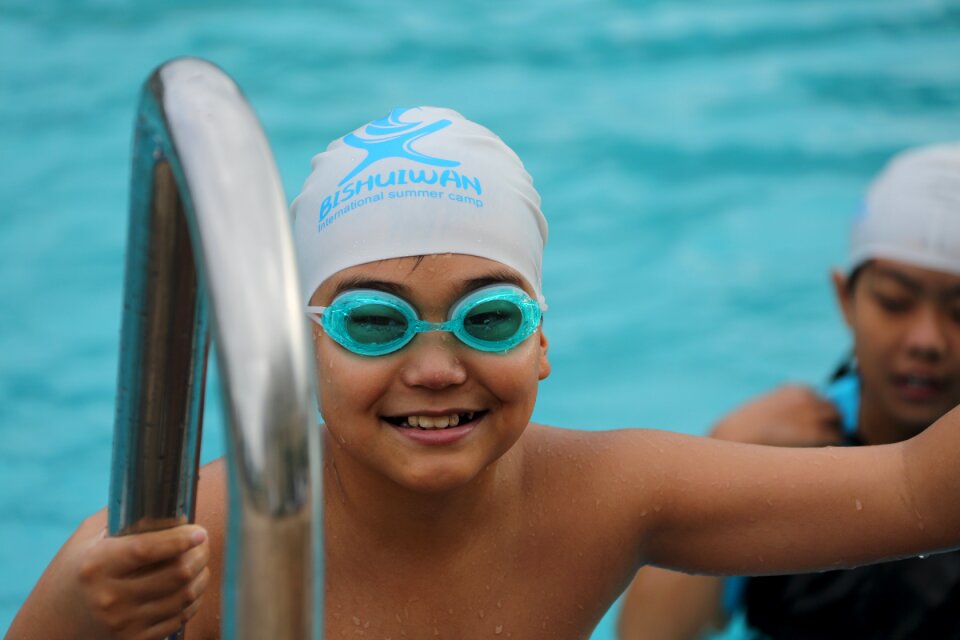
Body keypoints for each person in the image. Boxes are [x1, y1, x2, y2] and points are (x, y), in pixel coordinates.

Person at [8, 109, 960, 640]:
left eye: (488, 317)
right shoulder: (187, 549)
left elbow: (923, 489)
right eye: (373, 322)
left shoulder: (608, 497)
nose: (433, 367)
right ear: (303, 349)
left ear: (542, 341)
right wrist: (70, 618)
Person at [618, 143, 960, 640]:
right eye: (895, 302)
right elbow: (649, 635)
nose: (926, 340)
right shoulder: (776, 454)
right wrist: (721, 457)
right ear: (845, 299)